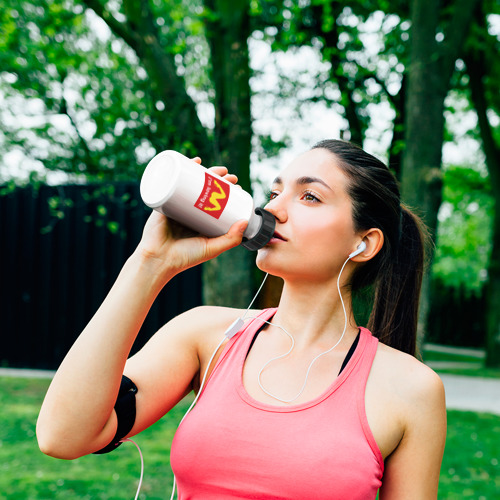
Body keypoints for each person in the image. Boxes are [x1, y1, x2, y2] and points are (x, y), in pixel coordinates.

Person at [37, 139, 447, 499]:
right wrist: (150, 263)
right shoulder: (205, 335)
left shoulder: (411, 389)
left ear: (363, 243)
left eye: (309, 197)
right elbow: (63, 435)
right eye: (275, 191)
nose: (272, 208)